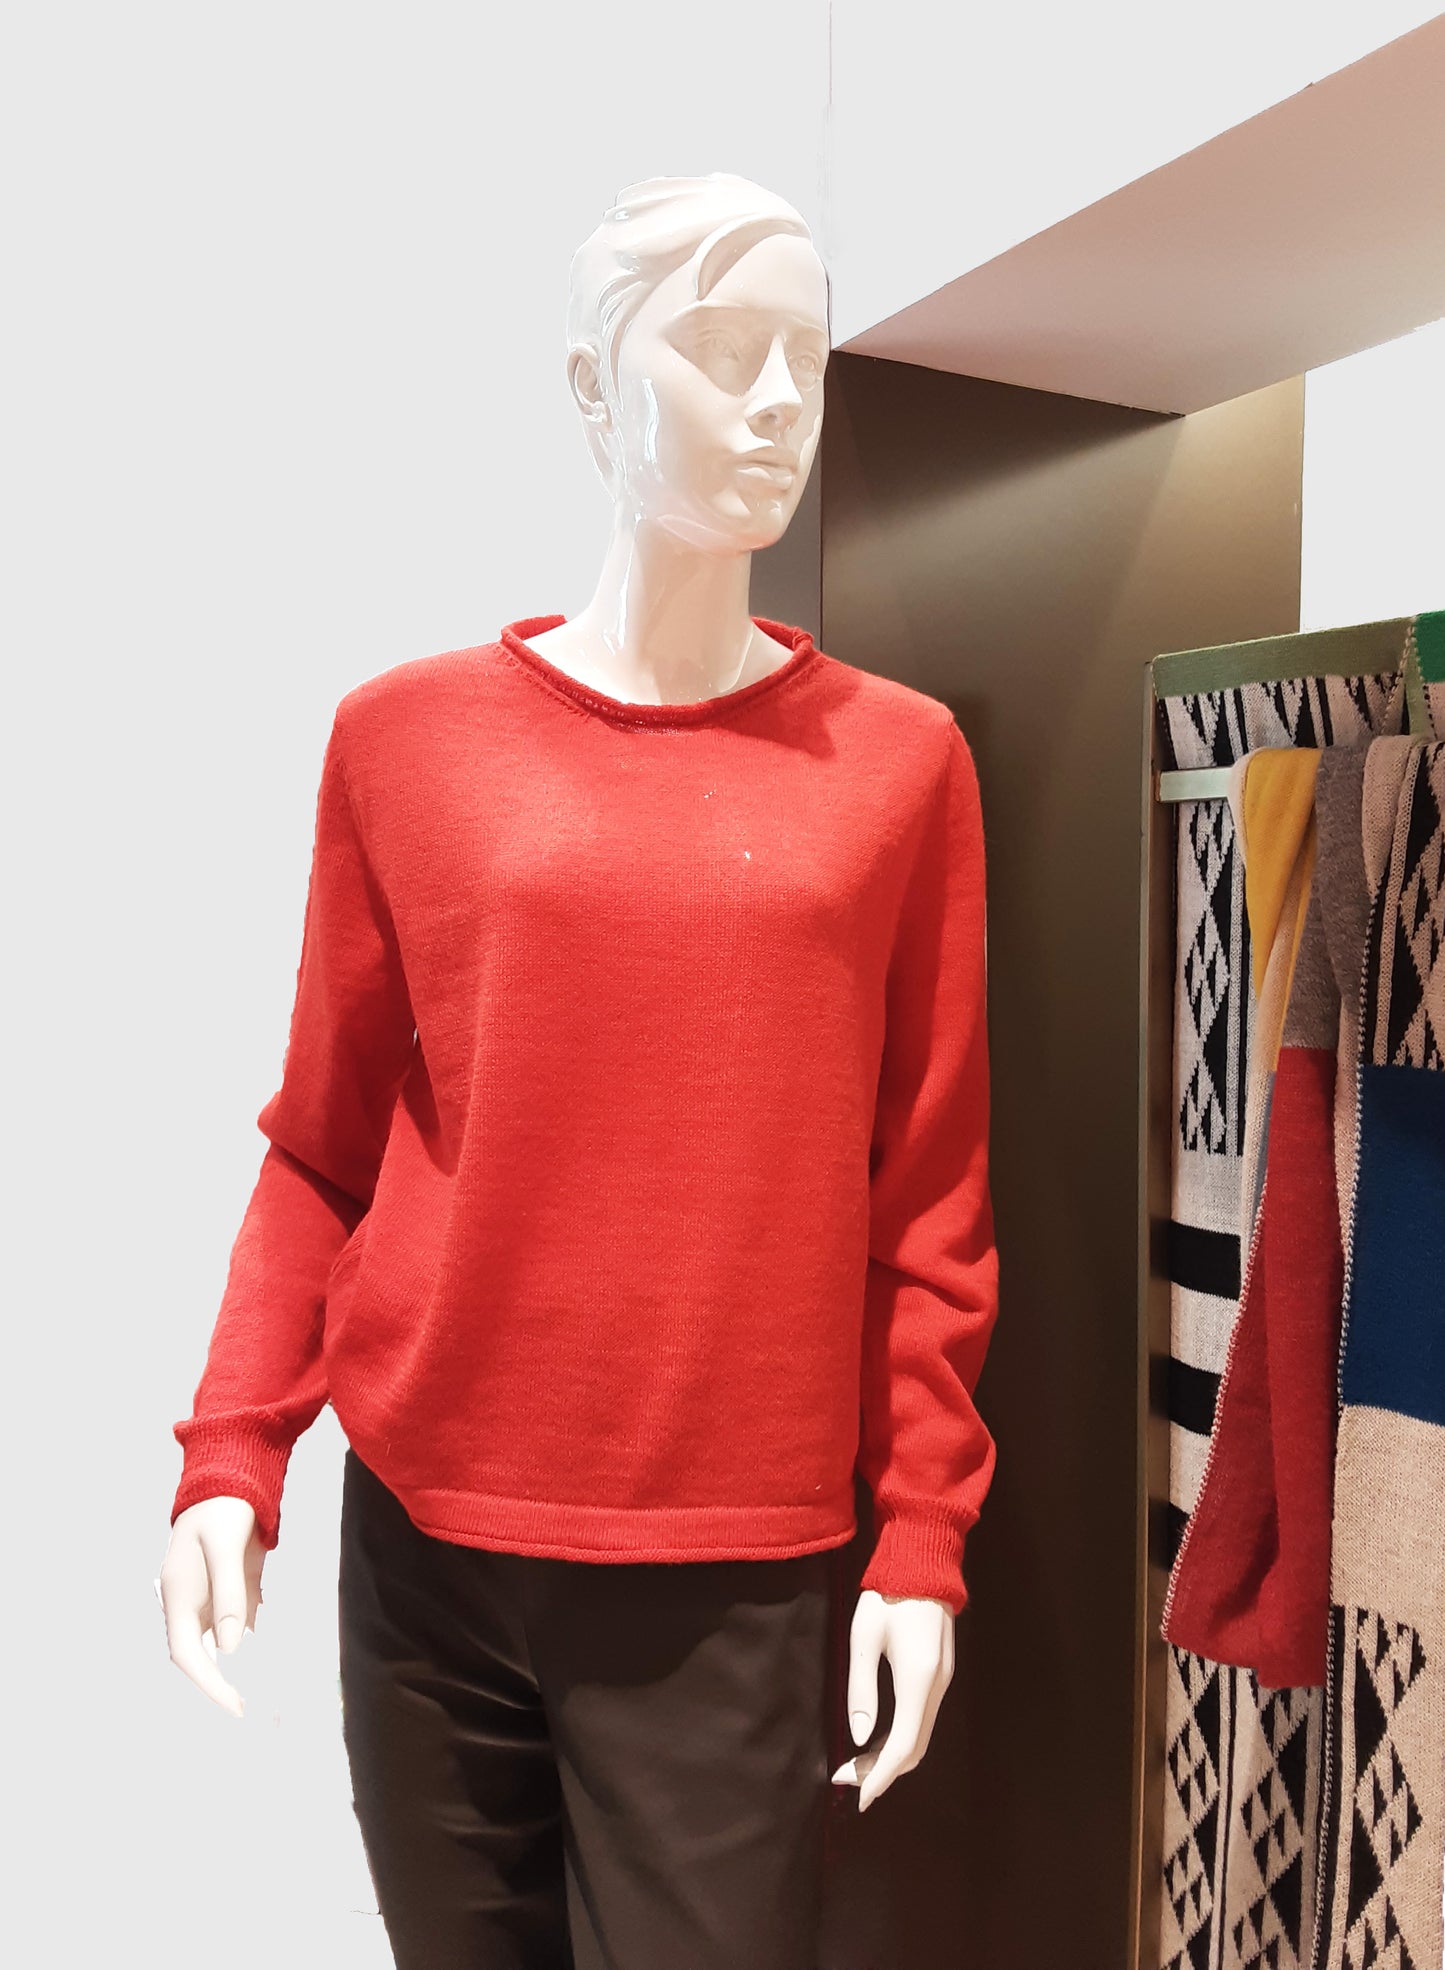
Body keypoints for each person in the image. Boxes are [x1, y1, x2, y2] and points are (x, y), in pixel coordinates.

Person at [158, 171, 1000, 1970]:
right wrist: (235, 1448)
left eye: (804, 356)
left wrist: (921, 1535)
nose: (776, 401)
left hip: (730, 1567)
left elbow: (930, 1195)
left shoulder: (901, 766)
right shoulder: (403, 738)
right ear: (591, 385)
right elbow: (322, 1147)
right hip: (425, 1546)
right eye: (719, 347)